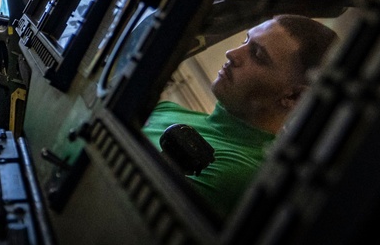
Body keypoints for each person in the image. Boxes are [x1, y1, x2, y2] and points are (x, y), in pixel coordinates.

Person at [142, 14, 338, 218]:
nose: (231, 53)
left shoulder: (238, 173)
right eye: (246, 41)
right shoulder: (167, 109)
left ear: (294, 96)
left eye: (257, 55)